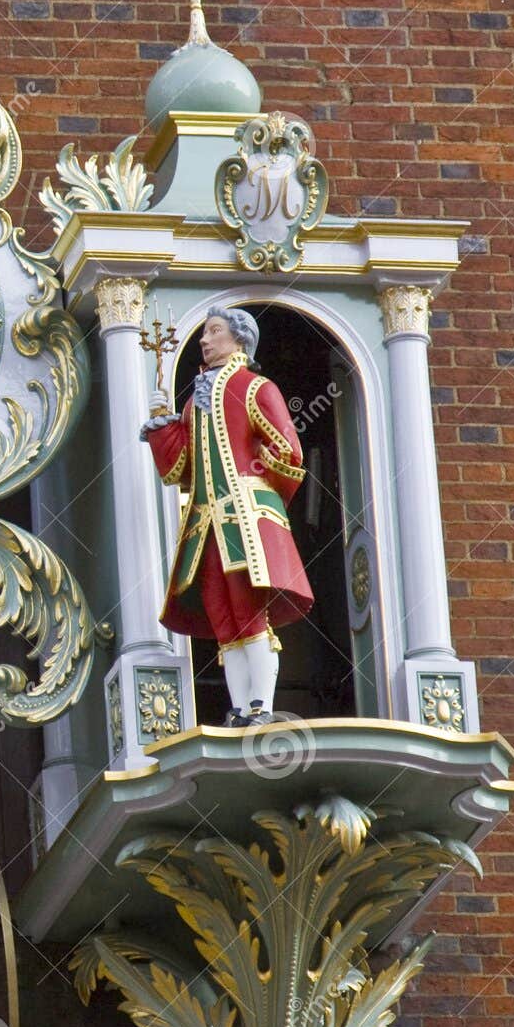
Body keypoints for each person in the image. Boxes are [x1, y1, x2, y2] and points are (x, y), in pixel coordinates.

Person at [140, 306, 313, 725]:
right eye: (204, 332)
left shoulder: (256, 388)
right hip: (206, 525)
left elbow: (290, 452)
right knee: (223, 616)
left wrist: (259, 468)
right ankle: (239, 707)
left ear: (239, 339)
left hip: (246, 520)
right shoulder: (195, 402)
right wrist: (163, 426)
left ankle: (262, 706)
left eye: (214, 331)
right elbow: (180, 468)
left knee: (249, 610)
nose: (205, 340)